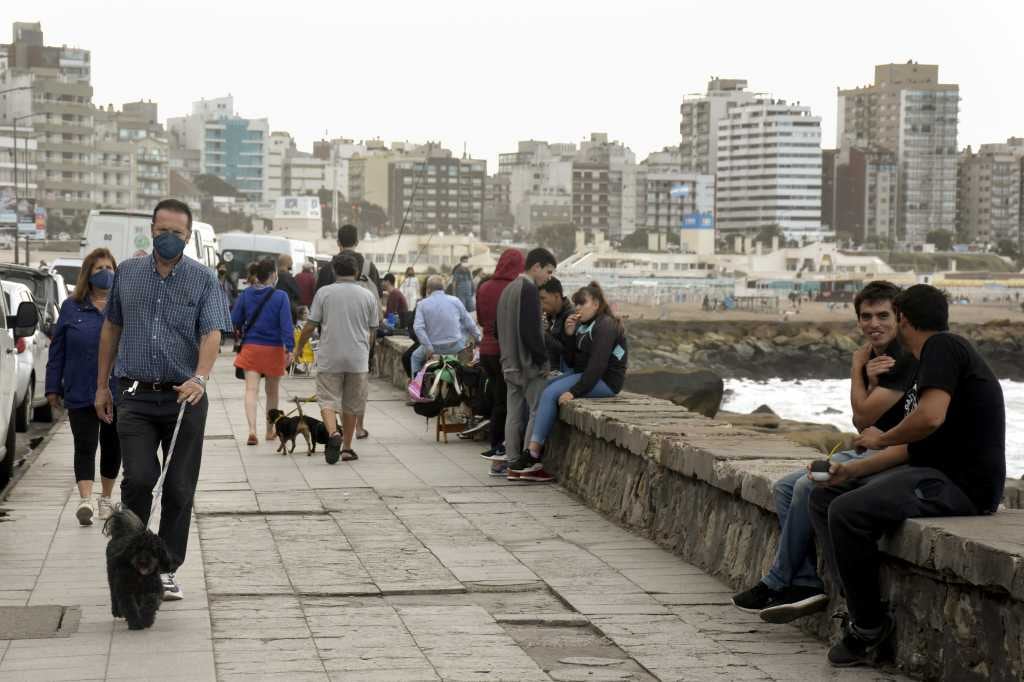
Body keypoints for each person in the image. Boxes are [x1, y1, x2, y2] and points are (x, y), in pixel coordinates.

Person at [808, 284, 1005, 667]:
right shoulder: (939, 357)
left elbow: (928, 419)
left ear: (903, 319)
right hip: (933, 471)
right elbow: (913, 445)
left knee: (848, 511)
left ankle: (867, 628)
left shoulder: (942, 348)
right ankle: (855, 603)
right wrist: (850, 469)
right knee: (825, 496)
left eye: (891, 316)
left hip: (962, 487)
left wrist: (883, 436)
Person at [731, 281, 918, 623]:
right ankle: (803, 582)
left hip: (898, 458)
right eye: (866, 316)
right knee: (785, 487)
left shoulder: (900, 358)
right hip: (874, 449)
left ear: (899, 317)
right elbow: (864, 425)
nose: (873, 324)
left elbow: (863, 416)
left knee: (807, 486)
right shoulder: (877, 359)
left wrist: (856, 368)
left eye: (882, 315)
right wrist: (869, 381)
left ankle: (777, 580)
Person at [95, 198, 232, 602]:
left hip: (184, 398)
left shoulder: (203, 279)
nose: (168, 238)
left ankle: (166, 567)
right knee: (138, 479)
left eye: (177, 233)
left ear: (188, 237)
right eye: (162, 231)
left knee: (178, 489)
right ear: (150, 230)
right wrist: (102, 385)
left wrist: (200, 377)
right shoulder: (128, 273)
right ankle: (129, 557)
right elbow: (111, 329)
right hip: (135, 396)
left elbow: (212, 334)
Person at [515, 281, 626, 482]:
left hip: (606, 382)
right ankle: (530, 447)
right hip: (586, 375)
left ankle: (533, 453)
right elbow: (575, 361)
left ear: (596, 303)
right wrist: (569, 335)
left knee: (550, 393)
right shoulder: (585, 325)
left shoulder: (606, 325)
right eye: (576, 304)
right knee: (543, 388)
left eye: (582, 303)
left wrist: (574, 392)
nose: (578, 308)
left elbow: (597, 365)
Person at [45, 247, 122, 526]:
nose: (105, 273)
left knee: (113, 445)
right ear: (87, 274)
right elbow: (57, 351)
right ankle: (86, 499)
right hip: (80, 388)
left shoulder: (122, 305)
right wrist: (52, 387)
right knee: (85, 445)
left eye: (110, 268)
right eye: (99, 268)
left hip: (116, 390)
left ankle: (106, 499)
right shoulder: (71, 307)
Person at [295, 252, 379, 464]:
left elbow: (310, 326)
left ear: (334, 271)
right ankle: (347, 449)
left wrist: (299, 348)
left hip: (330, 356)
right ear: (357, 272)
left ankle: (333, 434)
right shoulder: (367, 295)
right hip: (357, 358)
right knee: (352, 404)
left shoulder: (324, 293)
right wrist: (365, 352)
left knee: (327, 399)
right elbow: (372, 331)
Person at [496, 248, 556, 478]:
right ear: (536, 267)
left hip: (508, 362)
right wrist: (543, 361)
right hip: (527, 366)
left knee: (513, 414)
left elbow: (496, 328)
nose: (549, 277)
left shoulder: (507, 290)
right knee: (536, 410)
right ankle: (525, 463)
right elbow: (530, 331)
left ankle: (511, 463)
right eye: (548, 271)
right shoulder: (529, 289)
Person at [231, 258, 294, 446]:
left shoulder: (246, 294)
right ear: (273, 275)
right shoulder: (281, 296)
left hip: (252, 348)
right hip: (274, 349)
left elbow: (234, 319)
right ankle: (270, 430)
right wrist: (289, 348)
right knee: (272, 392)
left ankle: (251, 430)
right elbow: (286, 325)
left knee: (251, 390)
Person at [476, 249, 525, 473]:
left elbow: (479, 318)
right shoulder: (514, 288)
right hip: (504, 351)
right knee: (509, 405)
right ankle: (501, 450)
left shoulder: (484, 287)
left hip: (485, 350)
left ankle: (496, 448)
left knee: (498, 401)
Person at [410, 276, 481, 377]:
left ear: (428, 289)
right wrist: (478, 338)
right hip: (455, 346)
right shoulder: (455, 301)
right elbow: (469, 323)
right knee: (464, 329)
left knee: (415, 357)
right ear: (443, 288)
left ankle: (416, 387)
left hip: (434, 347)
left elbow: (418, 328)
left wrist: (429, 348)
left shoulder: (422, 304)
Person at [539, 276, 575, 371]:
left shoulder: (571, 317)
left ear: (556, 296)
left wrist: (544, 334)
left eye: (543, 298)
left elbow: (567, 352)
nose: (540, 303)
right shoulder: (550, 315)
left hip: (562, 372)